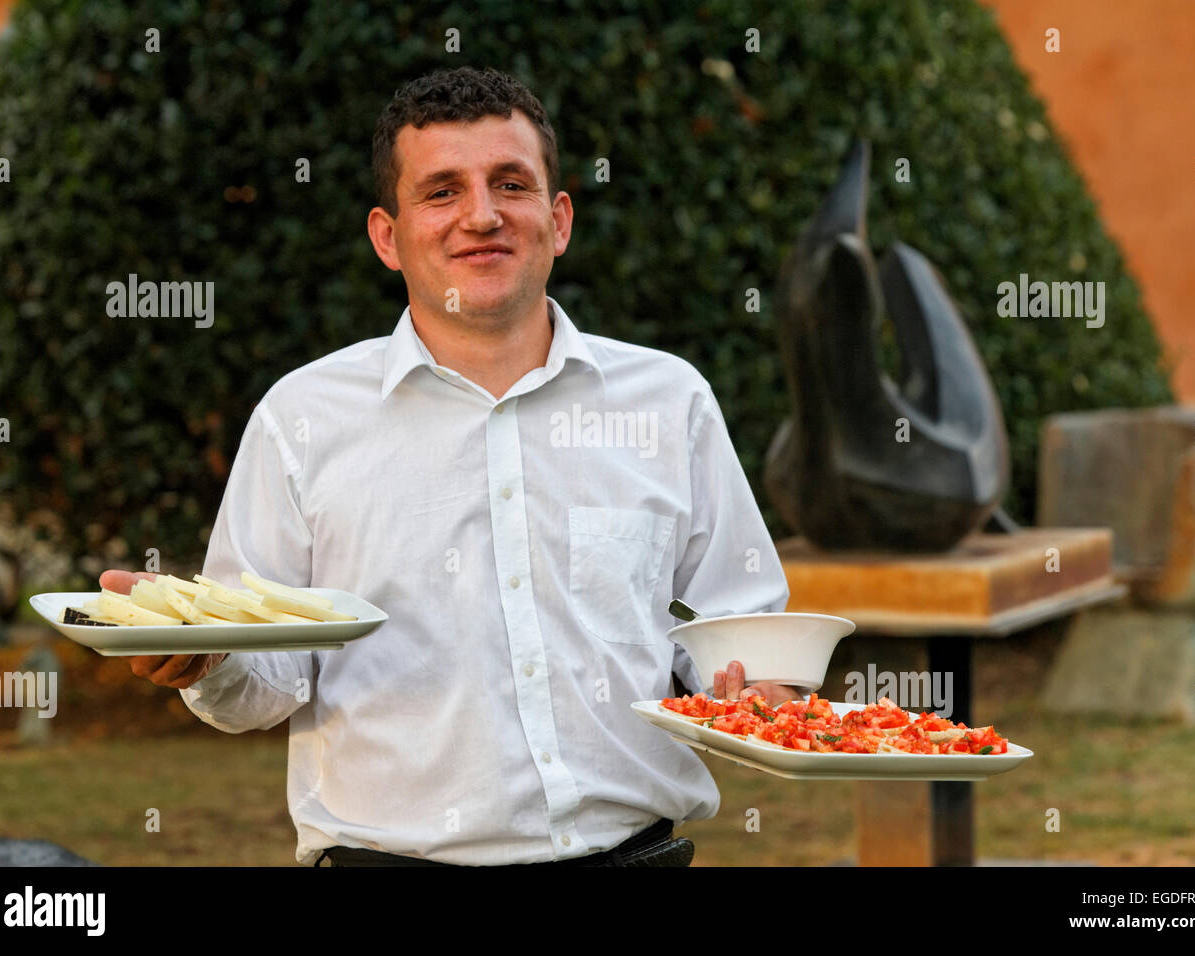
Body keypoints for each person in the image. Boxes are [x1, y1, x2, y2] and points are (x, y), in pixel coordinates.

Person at [103, 66, 799, 867]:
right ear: (387, 237)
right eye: (441, 192)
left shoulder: (668, 402)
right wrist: (204, 660)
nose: (482, 215)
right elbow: (267, 675)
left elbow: (742, 627)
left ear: (559, 218)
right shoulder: (302, 419)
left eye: (511, 183)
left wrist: (762, 689)